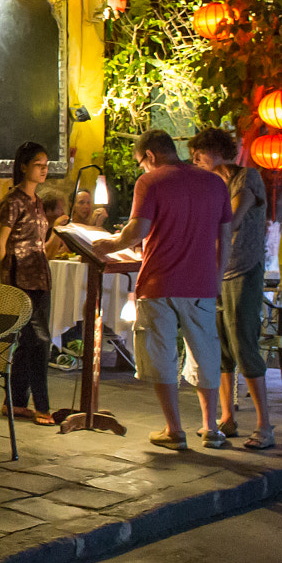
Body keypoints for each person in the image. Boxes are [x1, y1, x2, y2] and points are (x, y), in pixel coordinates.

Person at [93, 131, 231, 449]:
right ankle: (211, 429)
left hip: (159, 283)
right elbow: (225, 236)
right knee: (206, 355)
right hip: (201, 285)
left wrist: (108, 244)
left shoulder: (151, 182)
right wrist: (217, 276)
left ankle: (175, 430)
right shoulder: (214, 183)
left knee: (161, 356)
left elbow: (136, 230)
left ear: (150, 156)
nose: (142, 169)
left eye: (141, 162)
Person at [190, 127, 273, 449]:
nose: (196, 161)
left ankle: (265, 426)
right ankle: (227, 417)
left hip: (243, 269)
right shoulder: (213, 184)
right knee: (220, 348)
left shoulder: (246, 178)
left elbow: (234, 219)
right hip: (216, 272)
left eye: (200, 155)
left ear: (217, 152)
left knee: (243, 344)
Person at [0, 142, 57, 426]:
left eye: (46, 165)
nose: (44, 170)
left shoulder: (38, 202)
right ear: (24, 166)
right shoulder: (13, 201)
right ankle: (42, 406)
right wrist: (4, 280)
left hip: (40, 277)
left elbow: (43, 246)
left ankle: (16, 401)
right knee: (40, 342)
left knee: (29, 342)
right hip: (20, 279)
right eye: (39, 165)